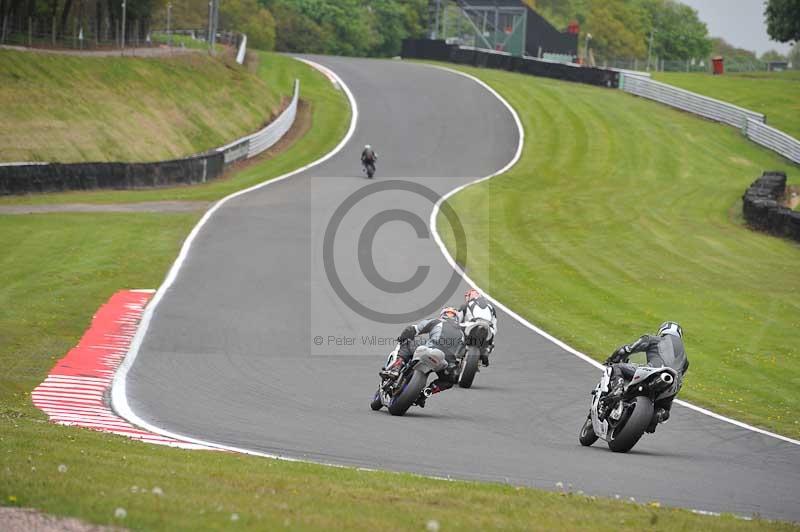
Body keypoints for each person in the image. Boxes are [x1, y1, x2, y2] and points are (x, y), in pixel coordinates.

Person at [601, 321, 689, 429]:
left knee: (617, 367)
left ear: (662, 331)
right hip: (671, 386)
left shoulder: (653, 339)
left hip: (652, 371)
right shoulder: (685, 359)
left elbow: (626, 350)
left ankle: (617, 389)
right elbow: (680, 375)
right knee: (665, 409)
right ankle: (658, 415)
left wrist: (612, 359)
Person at [380, 307, 463, 406]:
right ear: (457, 318)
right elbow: (462, 356)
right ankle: (426, 393)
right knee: (448, 381)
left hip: (430, 350)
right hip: (444, 361)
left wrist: (402, 337)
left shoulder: (436, 321)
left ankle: (396, 368)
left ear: (442, 315)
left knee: (407, 343)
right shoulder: (462, 333)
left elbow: (413, 329)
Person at [458, 288, 497, 366]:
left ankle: (457, 352)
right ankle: (486, 351)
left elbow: (457, 320)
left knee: (457, 331)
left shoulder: (465, 305)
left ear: (469, 296)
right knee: (491, 343)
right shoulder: (491, 308)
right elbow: (494, 326)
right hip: (488, 328)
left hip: (473, 324)